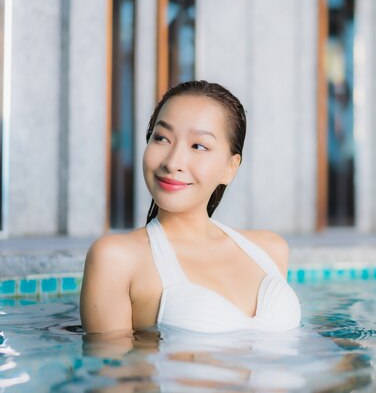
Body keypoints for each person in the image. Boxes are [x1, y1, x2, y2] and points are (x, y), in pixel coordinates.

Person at [80, 80, 301, 335]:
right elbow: (112, 371)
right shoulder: (116, 258)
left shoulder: (270, 250)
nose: (173, 162)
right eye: (161, 138)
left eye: (198, 146)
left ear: (230, 168)